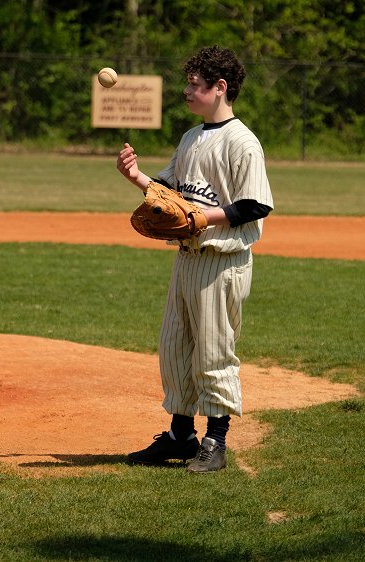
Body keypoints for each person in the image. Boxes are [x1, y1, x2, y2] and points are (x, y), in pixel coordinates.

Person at [117, 45, 273, 473]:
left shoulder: (242, 142)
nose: (186, 90)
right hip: (187, 259)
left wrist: (204, 216)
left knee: (213, 349)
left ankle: (216, 441)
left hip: (221, 262)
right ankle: (181, 436)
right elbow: (168, 194)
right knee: (176, 347)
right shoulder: (191, 137)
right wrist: (137, 178)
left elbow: (256, 205)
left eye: (194, 84)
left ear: (220, 87)